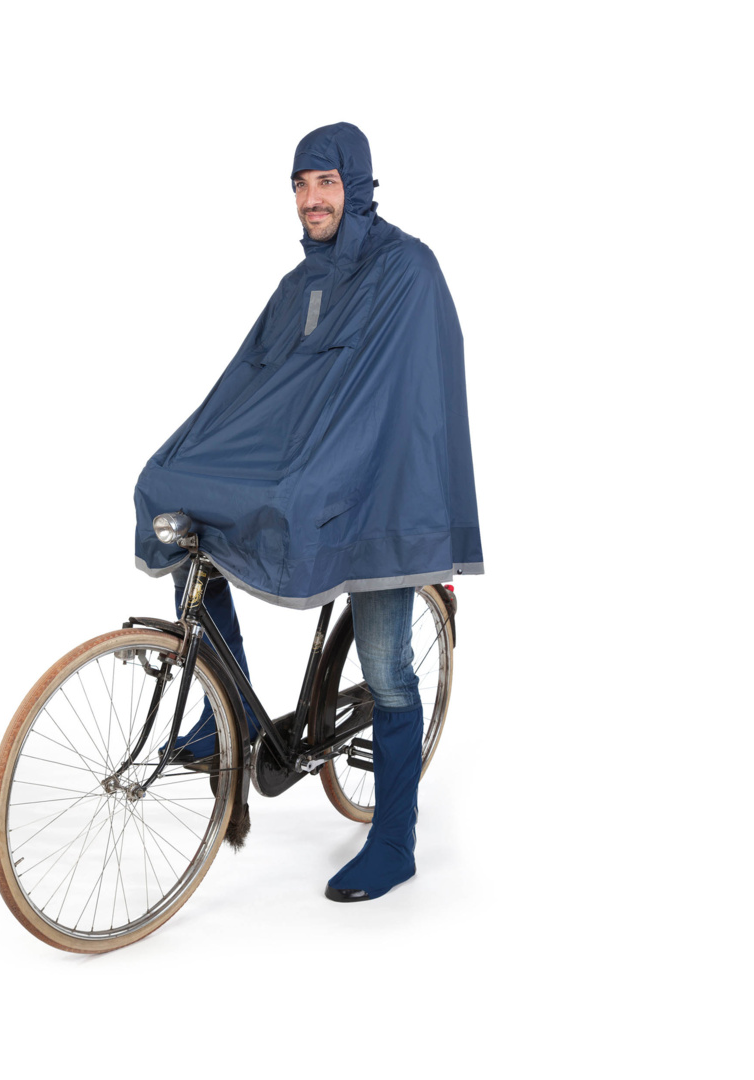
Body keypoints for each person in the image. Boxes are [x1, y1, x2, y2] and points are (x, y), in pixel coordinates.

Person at [134, 122, 483, 902]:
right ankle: (230, 710)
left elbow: (393, 405)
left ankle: (394, 841)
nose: (310, 199)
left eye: (325, 182)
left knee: (386, 671)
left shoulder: (407, 270)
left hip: (386, 492)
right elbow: (249, 388)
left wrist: (313, 480)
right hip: (313, 470)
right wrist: (188, 456)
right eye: (299, 184)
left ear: (356, 185)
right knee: (175, 498)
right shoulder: (301, 286)